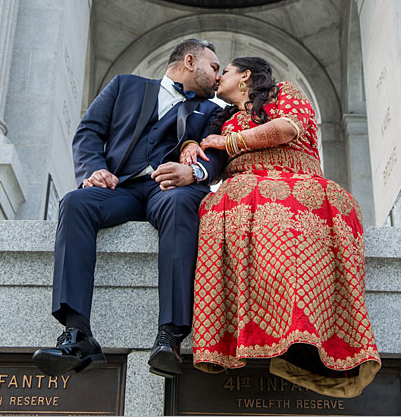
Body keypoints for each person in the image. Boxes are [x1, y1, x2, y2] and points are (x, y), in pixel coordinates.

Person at [181, 57, 381, 398]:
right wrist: (190, 146)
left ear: (245, 76)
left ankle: (304, 340)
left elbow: (287, 128)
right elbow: (206, 154)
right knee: (219, 204)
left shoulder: (283, 92)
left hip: (297, 183)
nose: (218, 78)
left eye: (224, 71)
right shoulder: (224, 118)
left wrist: (227, 144)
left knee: (289, 209)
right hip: (243, 190)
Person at [33, 39, 225, 379]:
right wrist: (93, 169)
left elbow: (219, 154)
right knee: (75, 202)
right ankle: (77, 334)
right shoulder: (125, 85)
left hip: (170, 190)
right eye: (213, 66)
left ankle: (171, 335)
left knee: (183, 203)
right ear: (190, 61)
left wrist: (193, 173)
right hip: (119, 188)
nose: (218, 74)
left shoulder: (213, 111)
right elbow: (90, 131)